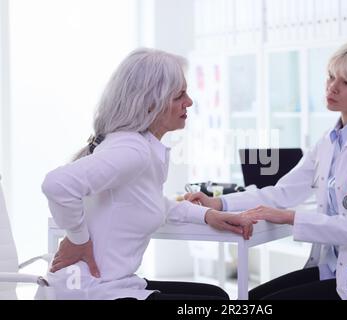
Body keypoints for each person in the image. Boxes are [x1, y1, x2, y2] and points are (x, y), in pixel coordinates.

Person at [185, 42, 347, 300]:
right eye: (331, 77)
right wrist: (218, 202)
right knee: (252, 299)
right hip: (333, 268)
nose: (332, 87)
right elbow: (282, 192)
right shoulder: (329, 141)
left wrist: (288, 217)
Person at [40, 48, 255, 300]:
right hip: (92, 291)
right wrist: (78, 240)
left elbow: (148, 202)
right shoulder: (133, 150)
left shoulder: (141, 147)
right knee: (215, 301)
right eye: (179, 96)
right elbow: (57, 184)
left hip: (113, 283)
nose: (190, 102)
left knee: (215, 294)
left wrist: (208, 215)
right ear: (151, 103)